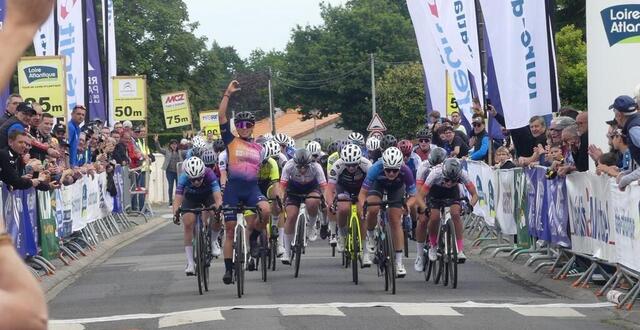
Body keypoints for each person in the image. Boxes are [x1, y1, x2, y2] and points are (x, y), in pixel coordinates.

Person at [217, 80, 271, 285]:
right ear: (236, 127)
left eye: (248, 125)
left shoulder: (259, 148)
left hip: (251, 189)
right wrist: (227, 94)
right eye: (240, 125)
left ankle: (255, 237)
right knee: (230, 228)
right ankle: (229, 269)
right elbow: (221, 116)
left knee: (265, 211)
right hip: (233, 189)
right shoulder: (231, 141)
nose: (244, 128)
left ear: (253, 127)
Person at [359, 147, 416, 277]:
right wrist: (364, 207)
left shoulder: (406, 171)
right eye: (388, 170)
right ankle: (371, 234)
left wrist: (406, 206)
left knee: (395, 219)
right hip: (378, 186)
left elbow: (413, 196)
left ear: (400, 167)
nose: (391, 173)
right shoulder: (375, 168)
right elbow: (362, 194)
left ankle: (399, 263)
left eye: (394, 170)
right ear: (383, 166)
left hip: (396, 188)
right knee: (373, 208)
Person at [416, 158, 478, 266]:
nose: (449, 183)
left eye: (454, 181)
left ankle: (459, 249)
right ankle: (433, 245)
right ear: (443, 174)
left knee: (455, 213)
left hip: (452, 193)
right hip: (435, 193)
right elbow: (420, 197)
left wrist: (470, 206)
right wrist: (425, 208)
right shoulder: (435, 173)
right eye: (447, 180)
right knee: (434, 217)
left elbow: (475, 195)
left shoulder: (463, 174)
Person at [172, 157, 223, 275]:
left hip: (207, 196)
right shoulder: (183, 178)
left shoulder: (209, 174)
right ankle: (190, 263)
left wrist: (218, 210)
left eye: (199, 179)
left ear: (203, 174)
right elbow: (177, 199)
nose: (196, 182)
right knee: (188, 223)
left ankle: (214, 241)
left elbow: (218, 197)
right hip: (191, 198)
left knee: (217, 215)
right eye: (193, 180)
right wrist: (175, 214)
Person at [279, 148, 327, 263]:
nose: (302, 169)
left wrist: (324, 200)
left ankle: (311, 226)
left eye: (305, 166)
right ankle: (286, 250)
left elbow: (324, 187)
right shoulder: (289, 166)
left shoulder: (317, 167)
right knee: (291, 216)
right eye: (299, 167)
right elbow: (282, 187)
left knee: (312, 202)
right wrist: (281, 198)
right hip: (294, 188)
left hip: (311, 187)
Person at [325, 144, 372, 261]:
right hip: (344, 189)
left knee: (362, 215)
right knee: (343, 208)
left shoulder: (367, 165)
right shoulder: (337, 165)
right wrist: (331, 204)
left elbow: (374, 186)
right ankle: (341, 234)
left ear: (359, 160)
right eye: (348, 165)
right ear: (343, 161)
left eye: (354, 165)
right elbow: (329, 189)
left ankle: (365, 251)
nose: (351, 168)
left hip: (361, 189)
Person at [413, 147, 446, 271]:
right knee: (422, 220)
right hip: (426, 192)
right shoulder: (424, 167)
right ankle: (420, 255)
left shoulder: (447, 165)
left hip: (442, 189)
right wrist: (423, 207)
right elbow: (419, 190)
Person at [610, 95, 640, 190]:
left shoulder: (633, 129)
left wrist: (626, 180)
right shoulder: (635, 125)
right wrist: (626, 173)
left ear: (619, 115)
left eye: (614, 113)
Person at [154, 134, 182, 206]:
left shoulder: (180, 152)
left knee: (179, 186)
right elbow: (159, 149)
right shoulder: (167, 151)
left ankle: (178, 200)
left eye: (175, 144)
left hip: (178, 172)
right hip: (169, 172)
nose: (174, 145)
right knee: (170, 186)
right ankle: (170, 201)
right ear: (170, 145)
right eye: (172, 144)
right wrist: (156, 141)